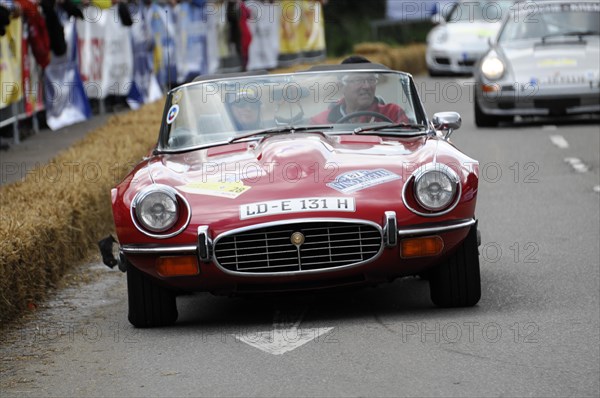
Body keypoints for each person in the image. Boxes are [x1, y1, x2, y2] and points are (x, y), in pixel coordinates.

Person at [311, 56, 410, 124]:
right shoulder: (321, 121)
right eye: (358, 80)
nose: (367, 86)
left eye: (371, 80)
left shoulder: (392, 113)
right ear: (342, 86)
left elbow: (408, 144)